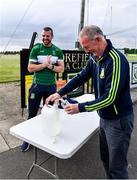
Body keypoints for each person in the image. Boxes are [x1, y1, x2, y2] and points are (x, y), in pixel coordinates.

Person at [46, 25, 134, 179]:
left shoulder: (116, 60)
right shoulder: (95, 58)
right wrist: (59, 92)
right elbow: (81, 77)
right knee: (106, 160)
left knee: (118, 168)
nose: (86, 51)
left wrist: (80, 107)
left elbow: (110, 98)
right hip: (105, 118)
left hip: (119, 121)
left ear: (98, 40)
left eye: (87, 47)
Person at [21, 26, 64, 151]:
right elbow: (30, 68)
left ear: (52, 36)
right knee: (32, 114)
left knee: (50, 114)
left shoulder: (57, 50)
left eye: (48, 36)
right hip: (37, 86)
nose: (45, 38)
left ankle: (48, 137)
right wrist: (45, 64)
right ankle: (27, 140)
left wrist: (50, 67)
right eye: (43, 36)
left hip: (51, 87)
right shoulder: (36, 49)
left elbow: (61, 69)